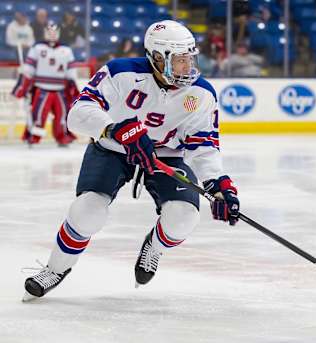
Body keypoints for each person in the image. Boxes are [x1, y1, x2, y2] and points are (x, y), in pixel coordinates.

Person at [22, 20, 240, 300]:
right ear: (157, 58)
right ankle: (55, 269)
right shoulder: (120, 72)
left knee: (184, 218)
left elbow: (203, 145)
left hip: (166, 155)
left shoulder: (201, 94)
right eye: (180, 61)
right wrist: (115, 129)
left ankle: (154, 248)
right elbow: (78, 112)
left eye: (189, 59)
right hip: (114, 148)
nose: (188, 67)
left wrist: (219, 183)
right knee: (88, 210)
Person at [11, 23, 78, 146]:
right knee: (38, 115)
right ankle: (33, 137)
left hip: (60, 90)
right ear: (45, 33)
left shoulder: (66, 50)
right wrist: (24, 84)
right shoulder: (37, 48)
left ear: (58, 33)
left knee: (62, 115)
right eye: (49, 32)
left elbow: (71, 71)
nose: (52, 35)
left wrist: (72, 85)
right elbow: (29, 69)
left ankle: (62, 137)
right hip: (41, 88)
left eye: (54, 32)